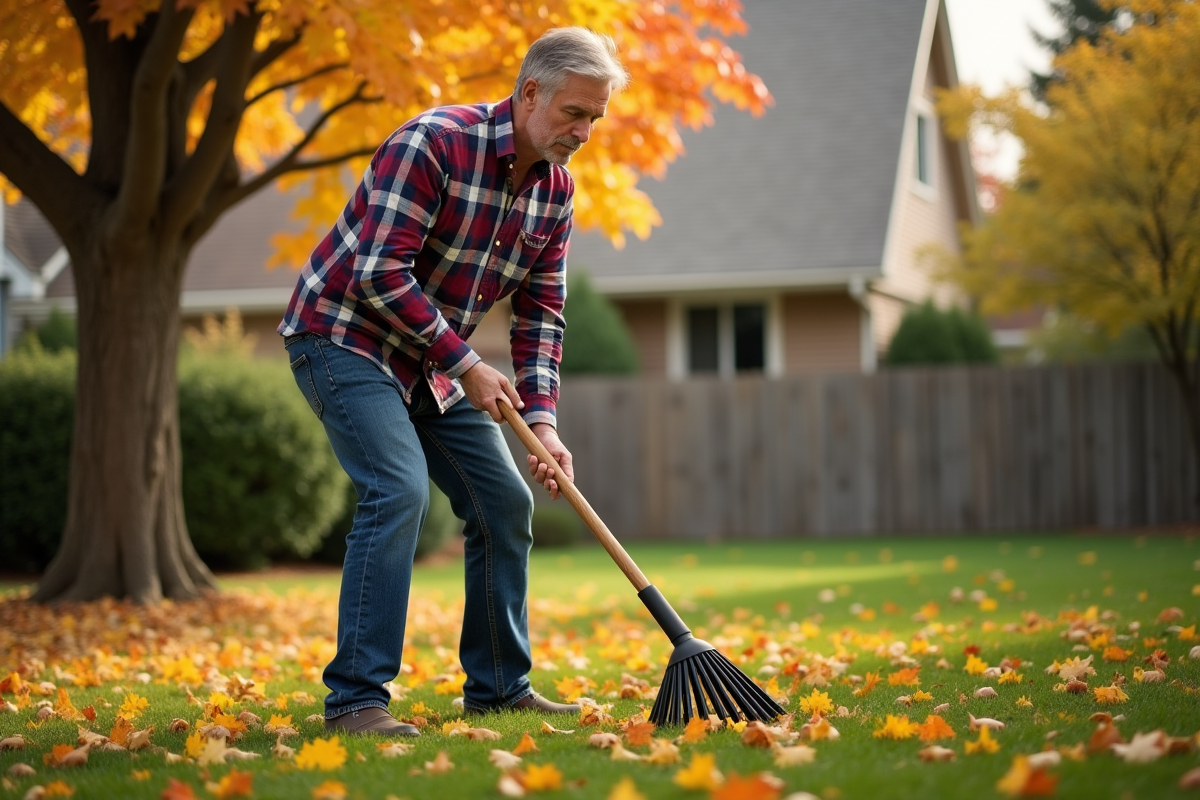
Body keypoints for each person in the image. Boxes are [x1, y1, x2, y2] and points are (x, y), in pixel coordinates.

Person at [277, 27, 628, 738]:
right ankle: (355, 701)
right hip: (342, 334)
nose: (585, 131)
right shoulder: (434, 143)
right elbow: (377, 272)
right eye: (574, 113)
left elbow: (541, 314)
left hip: (428, 359)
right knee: (398, 488)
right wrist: (464, 362)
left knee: (502, 503)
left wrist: (545, 421)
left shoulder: (555, 192)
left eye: (595, 117)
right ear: (530, 92)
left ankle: (500, 687)